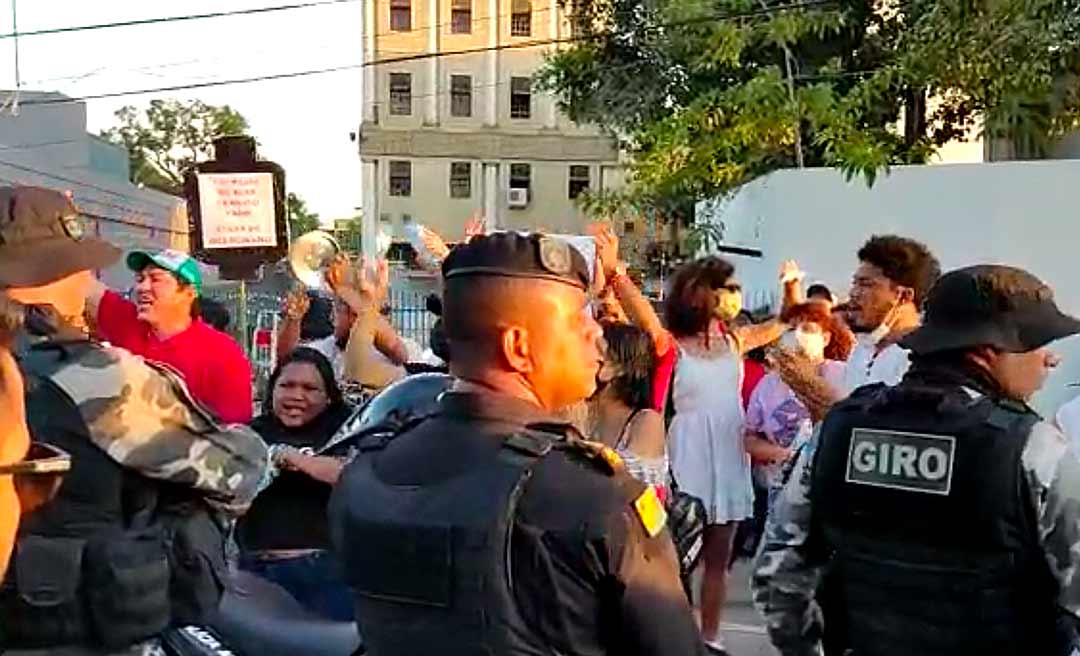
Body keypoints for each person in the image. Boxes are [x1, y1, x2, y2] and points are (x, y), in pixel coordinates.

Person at [329, 231, 703, 656]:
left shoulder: (369, 472)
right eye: (579, 321)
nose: (596, 336)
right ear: (518, 347)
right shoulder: (597, 496)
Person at [753, 264, 1080, 656]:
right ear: (990, 351)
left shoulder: (840, 431)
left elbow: (778, 576)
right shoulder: (1034, 449)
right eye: (1039, 344)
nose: (1051, 361)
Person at [0, 186, 268, 654]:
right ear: (66, 272)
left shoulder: (203, 352)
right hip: (72, 633)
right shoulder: (99, 376)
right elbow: (241, 472)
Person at [660, 254, 801, 654]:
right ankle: (677, 636)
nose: (730, 297)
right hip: (687, 450)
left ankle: (711, 638)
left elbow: (785, 320)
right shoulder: (672, 345)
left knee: (719, 559)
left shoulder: (736, 341)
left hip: (728, 448)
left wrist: (790, 283)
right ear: (697, 296)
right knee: (678, 557)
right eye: (721, 289)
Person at [237, 347, 354, 621]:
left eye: (310, 388)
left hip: (322, 574)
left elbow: (353, 477)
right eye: (287, 385)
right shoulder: (251, 433)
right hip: (254, 573)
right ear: (272, 390)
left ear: (328, 397)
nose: (296, 396)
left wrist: (294, 459)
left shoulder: (344, 432)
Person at [769, 235, 940, 422]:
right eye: (855, 283)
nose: (853, 293)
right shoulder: (861, 351)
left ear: (903, 296)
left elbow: (880, 428)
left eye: (866, 284)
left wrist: (809, 386)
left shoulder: (922, 360)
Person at [86, 248, 254, 424]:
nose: (141, 287)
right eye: (140, 279)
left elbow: (237, 431)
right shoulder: (128, 322)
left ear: (189, 292)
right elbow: (82, 286)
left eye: (155, 279)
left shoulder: (223, 354)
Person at [744, 302, 852, 508]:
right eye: (793, 329)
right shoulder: (769, 384)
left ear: (825, 338)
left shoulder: (843, 375)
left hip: (826, 492)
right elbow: (749, 438)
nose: (799, 336)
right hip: (775, 491)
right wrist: (786, 456)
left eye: (808, 329)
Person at [591, 322, 668, 489]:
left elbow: (624, 492)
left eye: (595, 354)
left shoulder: (646, 421)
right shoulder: (582, 411)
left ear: (614, 368)